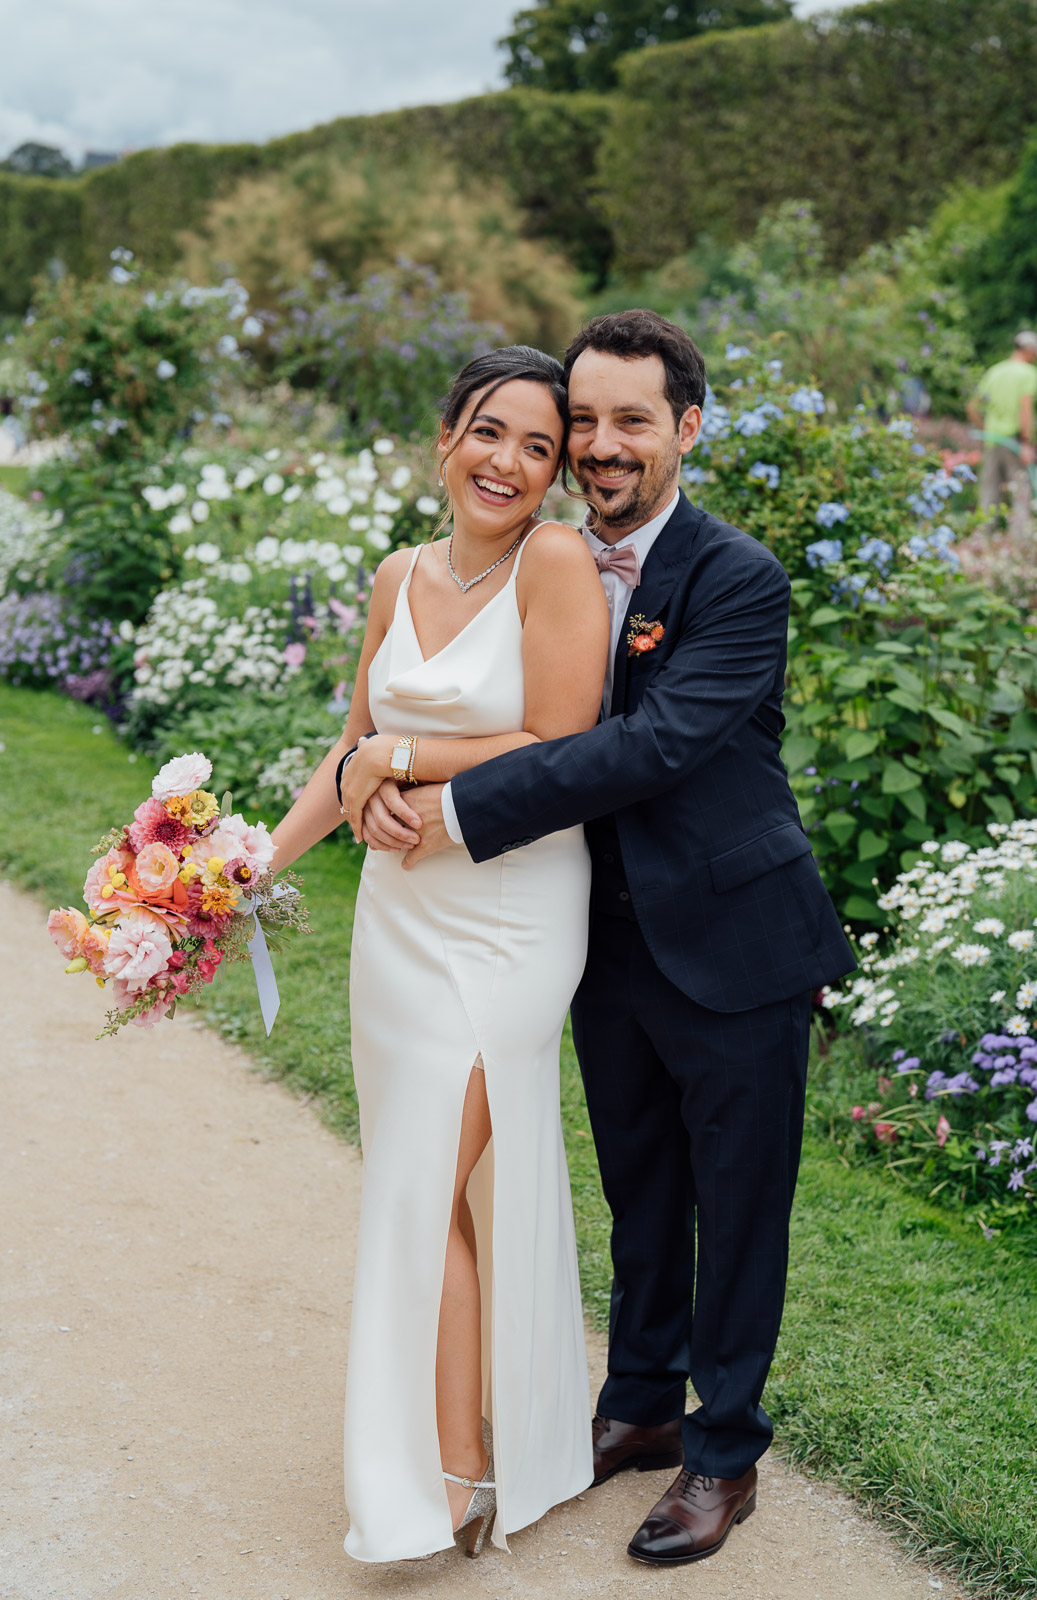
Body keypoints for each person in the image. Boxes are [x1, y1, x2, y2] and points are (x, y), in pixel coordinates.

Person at [357, 310, 855, 1569]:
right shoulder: (553, 560)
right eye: (583, 419)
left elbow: (643, 748)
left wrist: (440, 803)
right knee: (638, 1184)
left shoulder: (737, 577)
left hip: (736, 940)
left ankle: (722, 1453)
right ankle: (637, 1401)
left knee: (736, 1208)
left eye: (632, 420)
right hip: (599, 939)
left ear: (687, 429)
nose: (599, 444)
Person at [270, 346, 610, 1561]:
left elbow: (558, 738)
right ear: (444, 440)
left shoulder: (555, 562)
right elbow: (347, 742)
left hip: (510, 916)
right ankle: (463, 1437)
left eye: (538, 446)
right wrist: (248, 871)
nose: (509, 463)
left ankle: (444, 1470)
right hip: (396, 919)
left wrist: (397, 764)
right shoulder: (396, 574)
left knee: (426, 1181)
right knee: (430, 1189)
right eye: (488, 432)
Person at [967, 329, 1037, 513]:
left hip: (992, 440)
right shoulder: (1028, 373)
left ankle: (983, 538)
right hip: (1013, 440)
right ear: (1029, 350)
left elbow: (971, 407)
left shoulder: (995, 371)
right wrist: (1026, 443)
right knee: (1021, 494)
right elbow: (1026, 410)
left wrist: (986, 430)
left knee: (989, 493)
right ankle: (1020, 540)